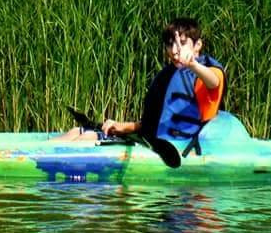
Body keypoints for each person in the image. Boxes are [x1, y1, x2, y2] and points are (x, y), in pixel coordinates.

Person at [56, 17, 226, 145]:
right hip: (153, 140)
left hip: (178, 147)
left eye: (181, 43)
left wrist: (193, 65)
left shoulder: (206, 70)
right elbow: (154, 124)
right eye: (169, 44)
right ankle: (34, 156)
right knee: (77, 132)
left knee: (87, 138)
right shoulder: (167, 75)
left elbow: (214, 82)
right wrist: (123, 126)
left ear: (197, 45)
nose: (174, 50)